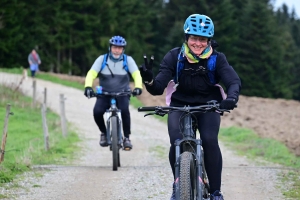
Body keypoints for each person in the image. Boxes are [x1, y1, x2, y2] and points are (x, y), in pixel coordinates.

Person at [139, 14, 241, 200]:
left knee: (210, 140)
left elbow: (233, 81)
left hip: (208, 105)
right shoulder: (174, 56)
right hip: (179, 104)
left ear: (209, 41)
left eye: (202, 39)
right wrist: (149, 79)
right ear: (187, 38)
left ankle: (216, 192)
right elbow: (158, 88)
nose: (197, 43)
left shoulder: (217, 59)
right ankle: (179, 184)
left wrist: (231, 98)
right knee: (176, 141)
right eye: (194, 38)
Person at [84, 35, 143, 150]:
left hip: (122, 93)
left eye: (120, 48)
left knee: (125, 111)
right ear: (110, 48)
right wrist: (88, 87)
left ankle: (126, 138)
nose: (117, 50)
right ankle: (104, 133)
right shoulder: (102, 59)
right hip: (104, 93)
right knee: (97, 112)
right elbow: (91, 73)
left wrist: (138, 87)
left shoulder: (128, 60)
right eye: (115, 47)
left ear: (123, 49)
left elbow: (136, 74)